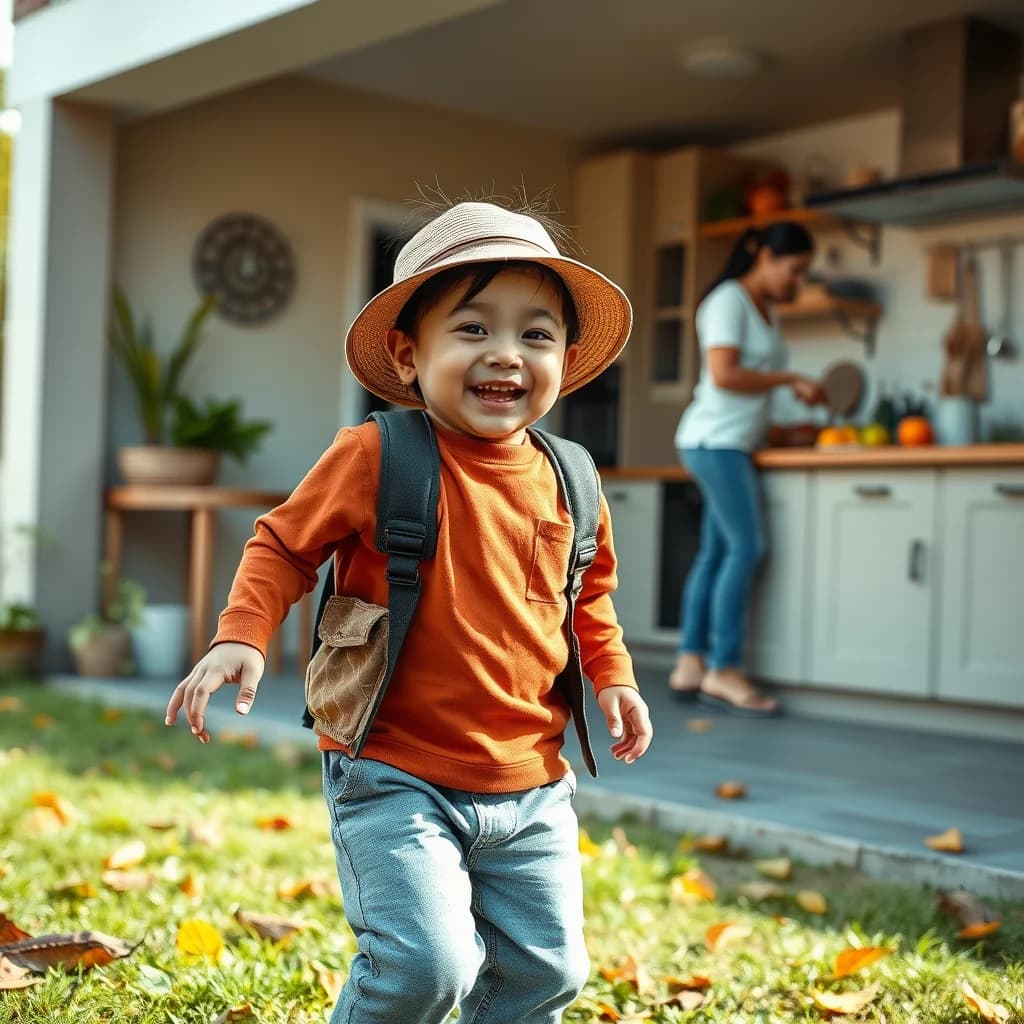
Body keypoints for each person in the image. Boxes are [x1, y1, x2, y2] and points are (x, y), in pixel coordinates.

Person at [164, 198, 653, 1024]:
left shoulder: (573, 478)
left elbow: (587, 596)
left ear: (566, 358)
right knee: (426, 969)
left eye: (535, 334)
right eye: (472, 329)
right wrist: (242, 635)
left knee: (549, 975)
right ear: (408, 351)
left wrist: (614, 677)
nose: (506, 354)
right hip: (394, 770)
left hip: (532, 783)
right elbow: (282, 545)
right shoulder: (376, 455)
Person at [669, 222, 825, 716]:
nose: (797, 282)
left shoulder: (766, 311)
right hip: (714, 443)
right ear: (764, 255)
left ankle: (690, 663)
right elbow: (725, 375)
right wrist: (791, 378)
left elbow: (747, 392)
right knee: (746, 547)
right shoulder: (727, 301)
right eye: (794, 270)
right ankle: (725, 669)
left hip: (732, 441)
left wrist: (782, 426)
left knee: (717, 551)